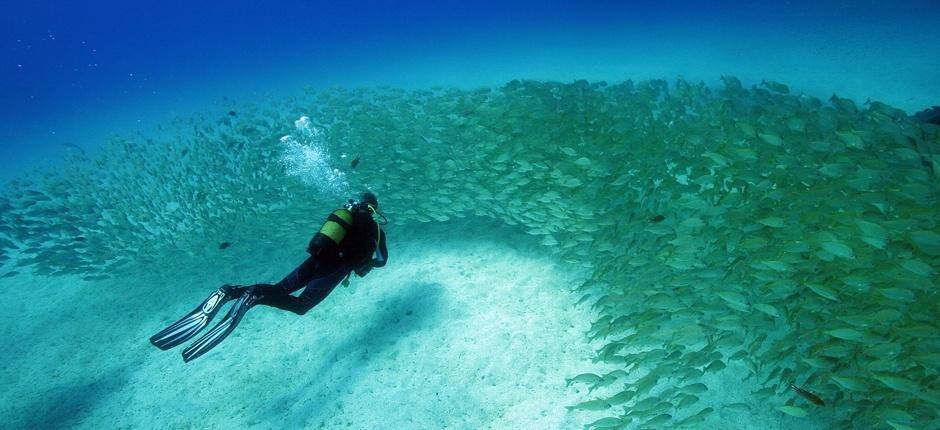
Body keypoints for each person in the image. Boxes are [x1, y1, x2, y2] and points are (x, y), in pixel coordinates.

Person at [150, 192, 389, 362]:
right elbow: (381, 261)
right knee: (301, 305)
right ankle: (253, 297)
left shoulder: (346, 217)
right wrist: (365, 259)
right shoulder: (374, 227)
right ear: (374, 208)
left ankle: (232, 291)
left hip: (316, 260)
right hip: (334, 269)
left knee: (281, 288)